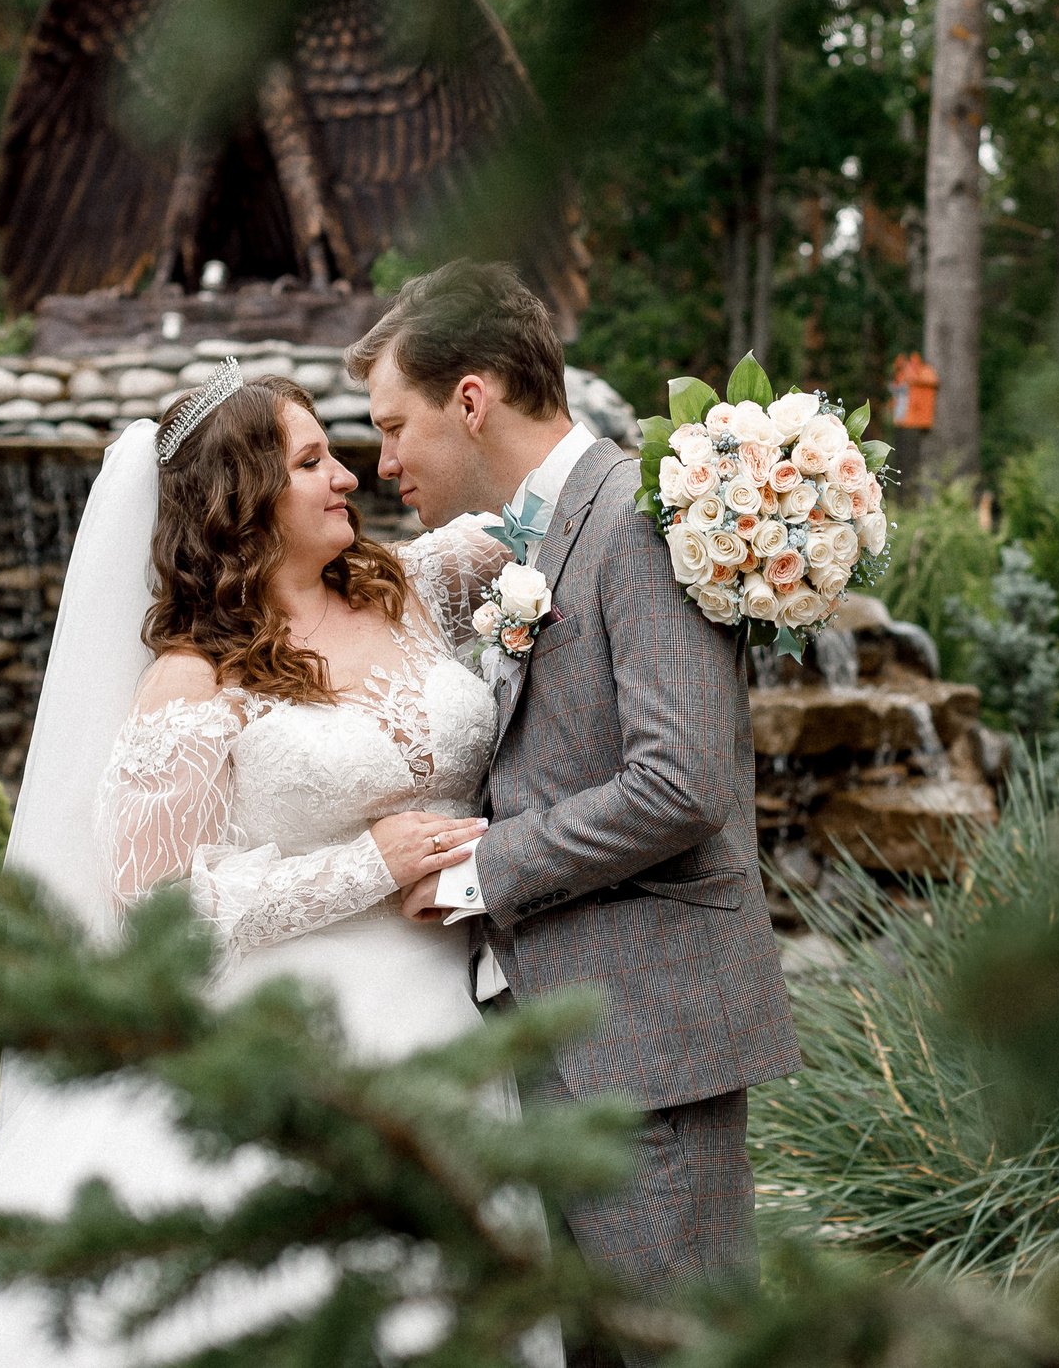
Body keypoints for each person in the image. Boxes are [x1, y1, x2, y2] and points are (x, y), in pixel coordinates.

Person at [0, 368, 535, 1367]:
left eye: (334, 453)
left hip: (459, 1013)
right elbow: (154, 916)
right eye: (311, 462)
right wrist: (367, 864)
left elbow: (552, 512)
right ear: (239, 500)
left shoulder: (410, 585)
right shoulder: (192, 678)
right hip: (299, 1047)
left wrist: (737, 477)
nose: (347, 476)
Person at [353, 263, 799, 1361]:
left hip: (649, 1042)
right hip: (563, 1033)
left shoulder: (637, 524)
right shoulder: (541, 534)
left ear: (471, 399)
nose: (383, 462)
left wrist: (479, 870)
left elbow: (681, 783)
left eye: (393, 425)